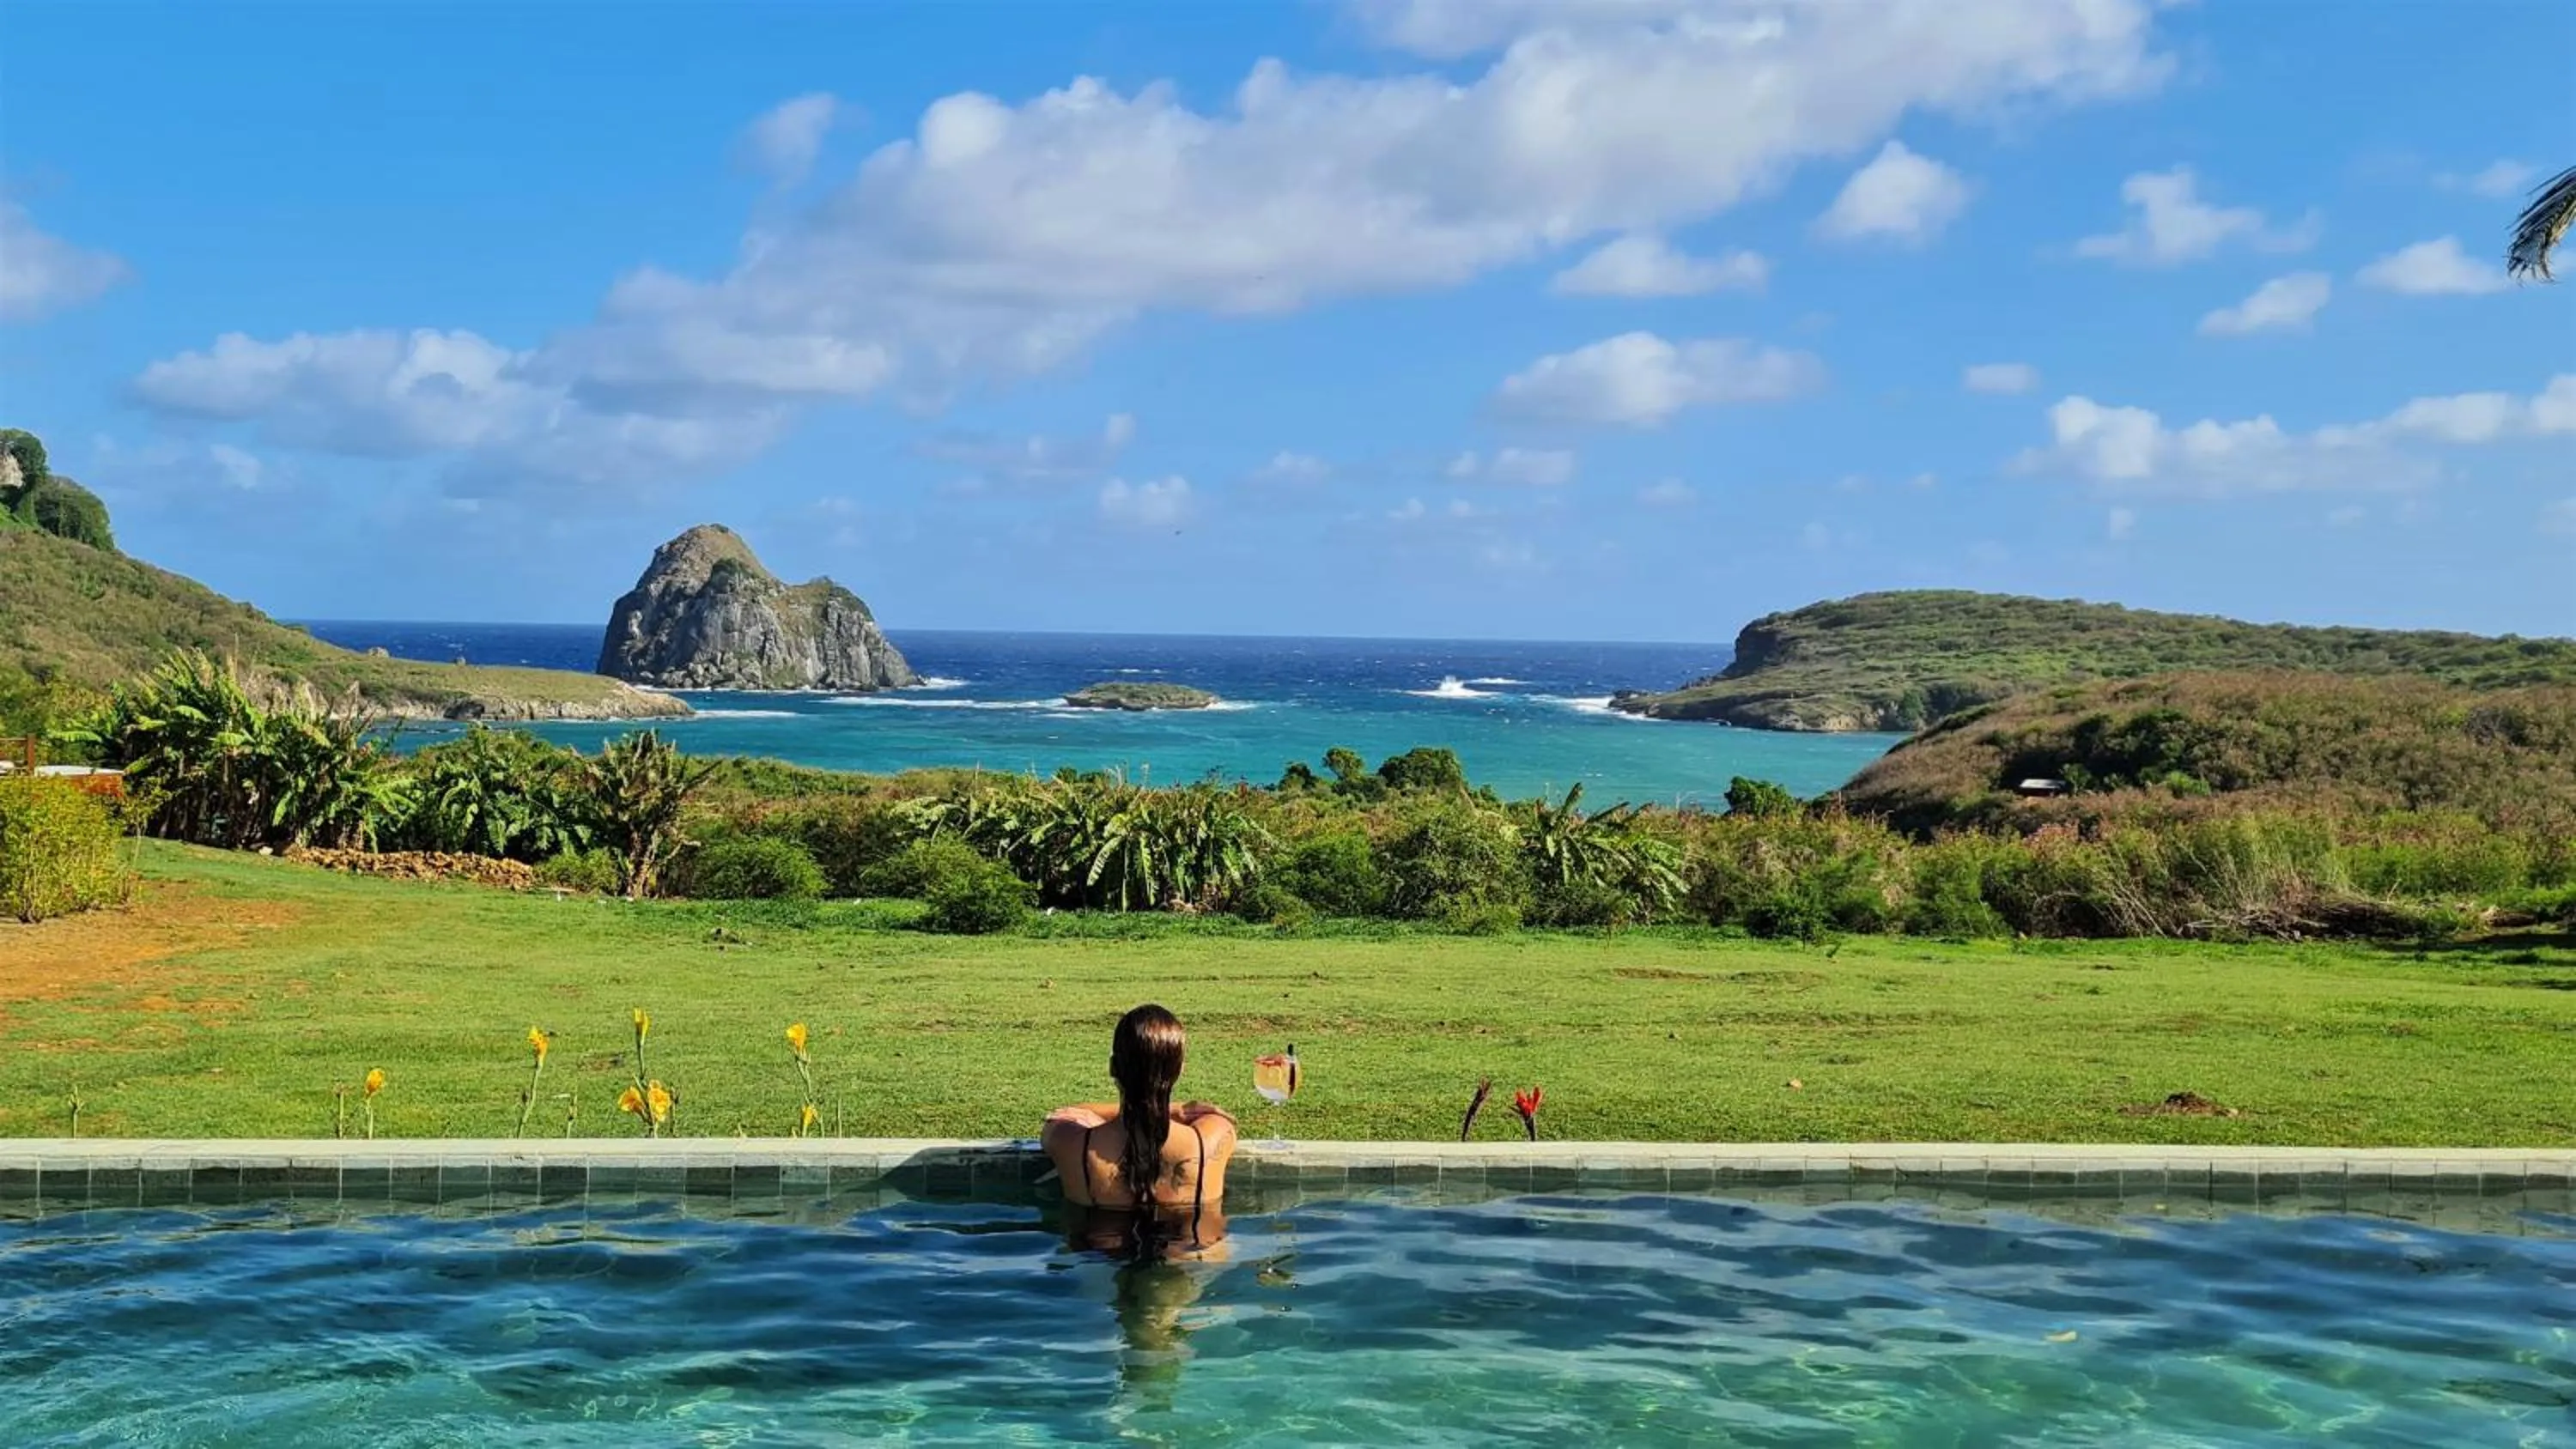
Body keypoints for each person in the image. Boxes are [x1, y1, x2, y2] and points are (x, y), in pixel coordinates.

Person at [1042, 1003, 1236, 1256]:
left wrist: (1163, 1106)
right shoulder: (1212, 1137)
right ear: (1179, 1070)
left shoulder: (1068, 1142)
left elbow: (1068, 1113)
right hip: (1193, 1263)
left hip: (1100, 1261)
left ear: (1113, 1067)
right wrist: (1168, 1108)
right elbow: (1212, 1116)